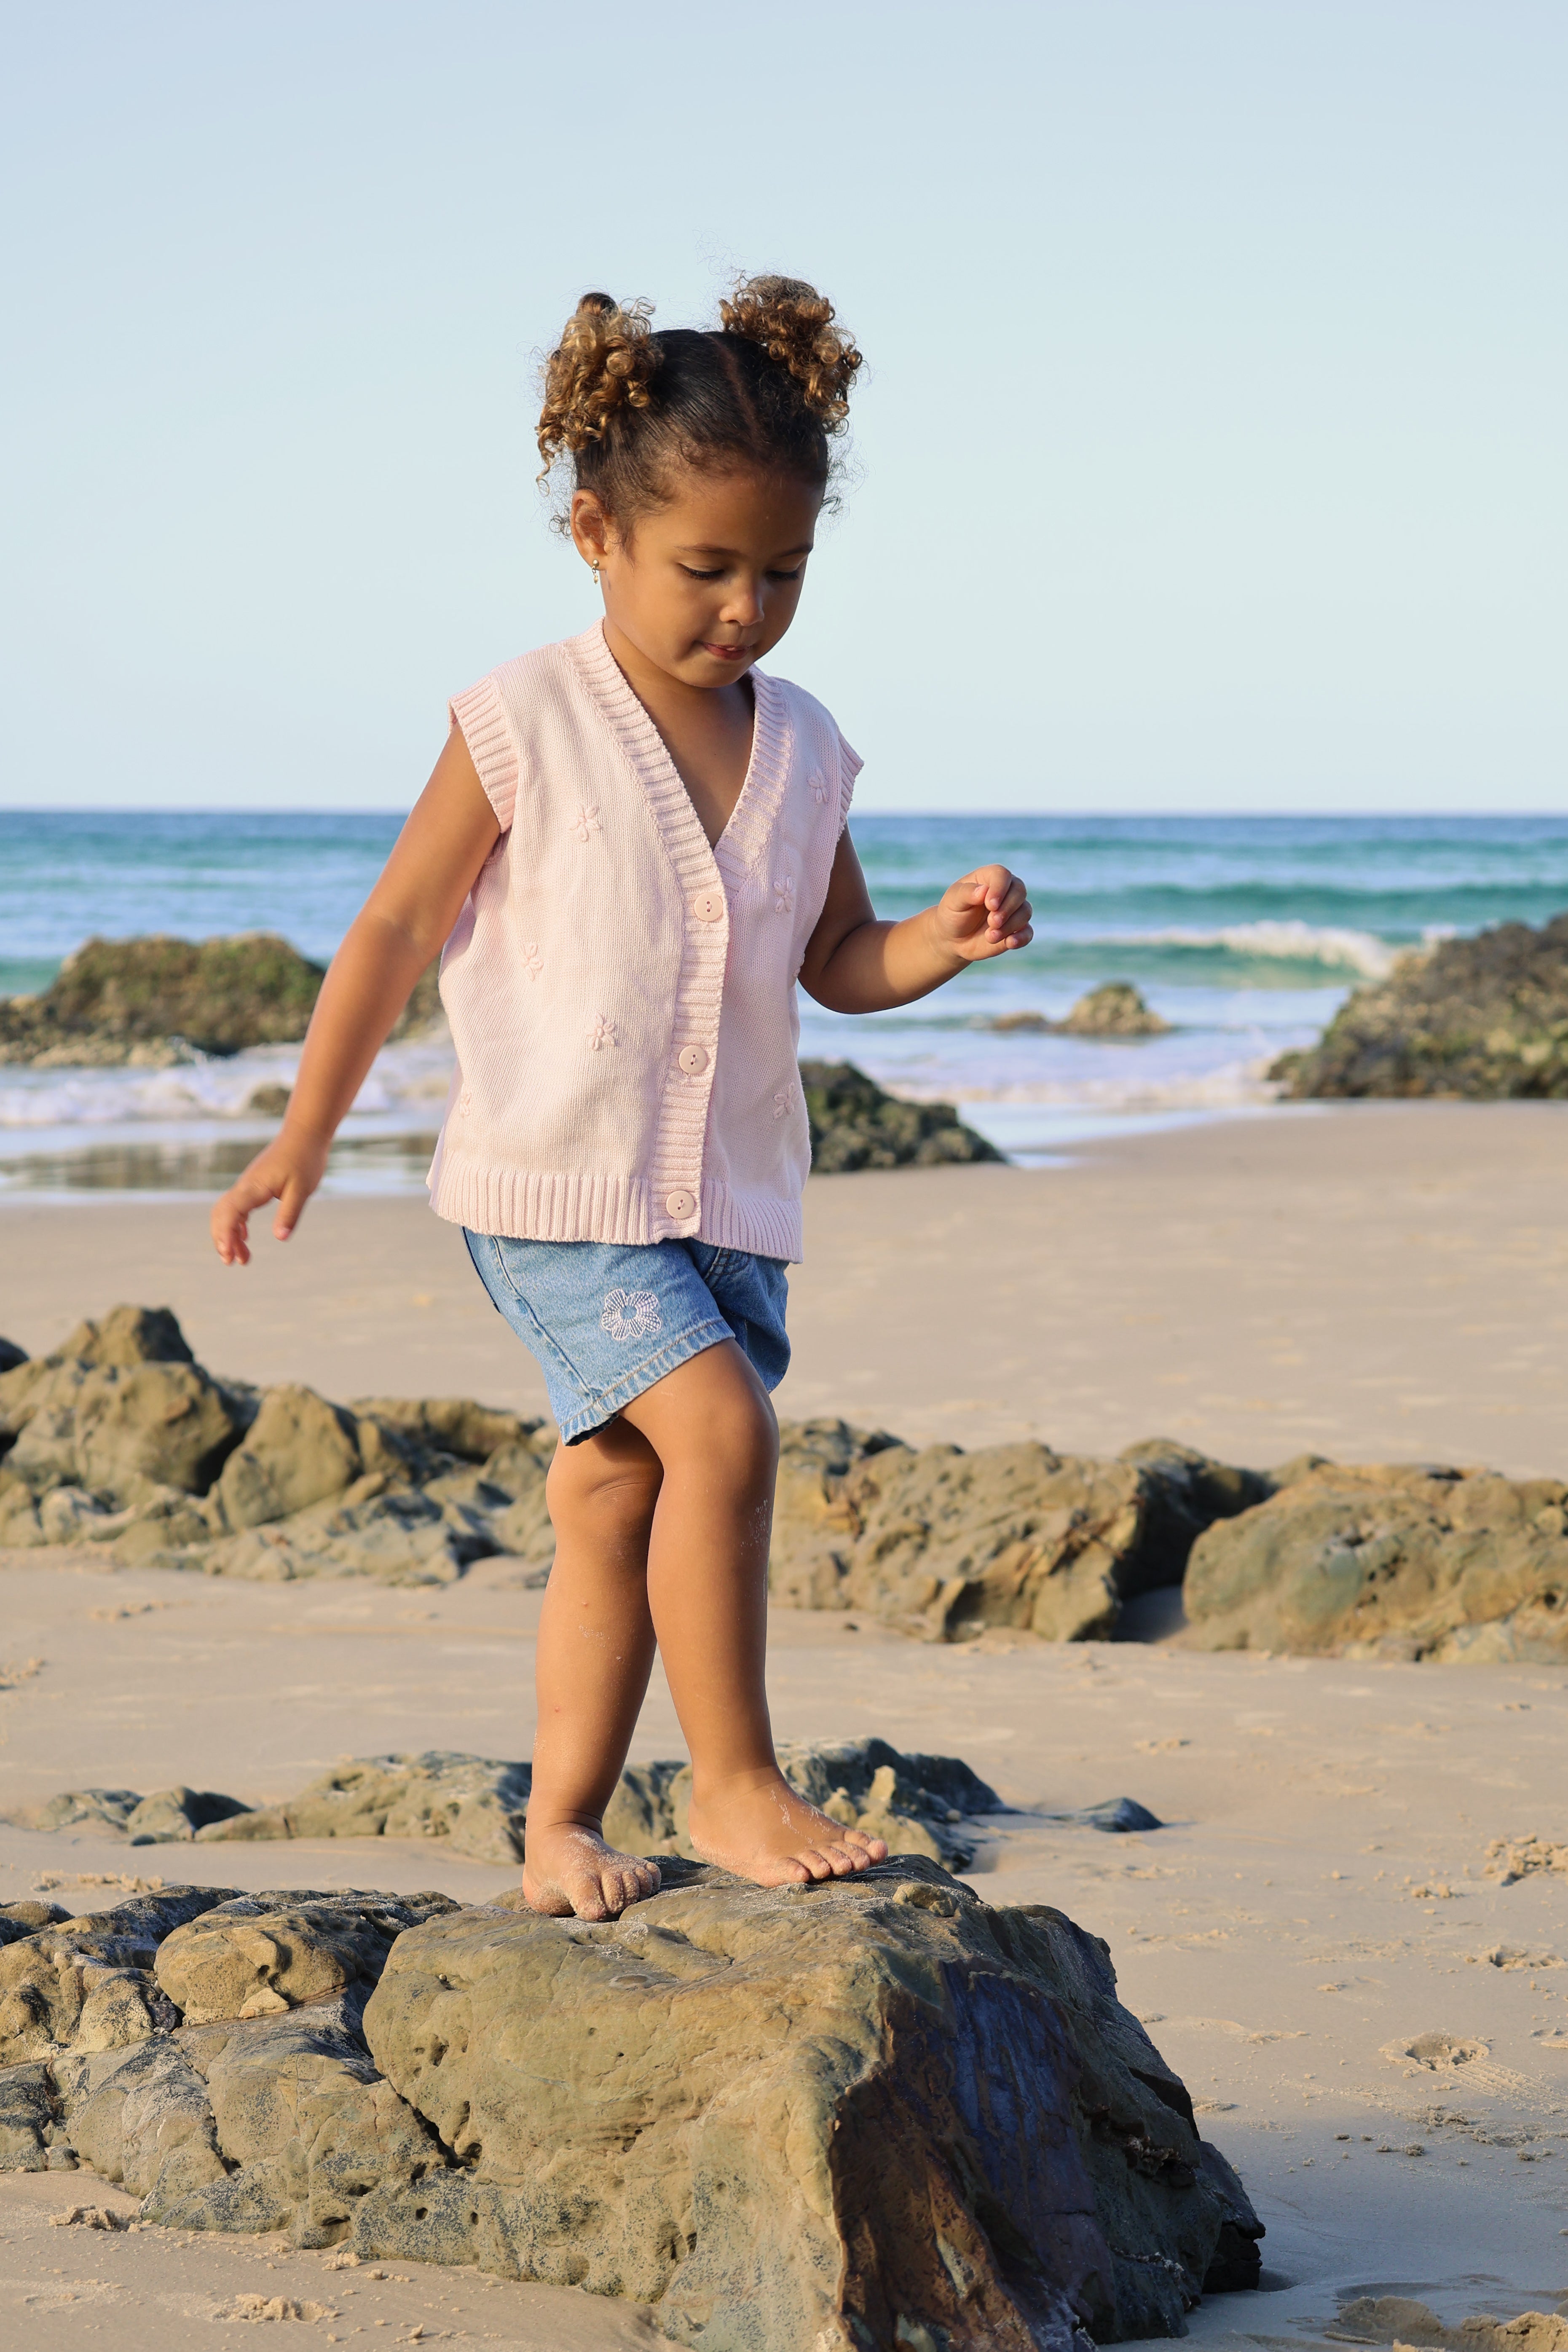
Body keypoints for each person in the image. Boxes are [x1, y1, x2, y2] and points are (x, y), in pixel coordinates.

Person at [211, 276, 1032, 1921]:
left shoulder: (805, 745)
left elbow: (835, 959)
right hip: (556, 1189)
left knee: (614, 1496)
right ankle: (732, 1785)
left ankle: (560, 1828)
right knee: (721, 1433)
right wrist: (306, 1128)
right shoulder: (524, 718)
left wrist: (938, 943)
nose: (745, 608)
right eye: (705, 568)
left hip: (729, 1202)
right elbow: (394, 927)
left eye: (782, 571)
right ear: (596, 534)